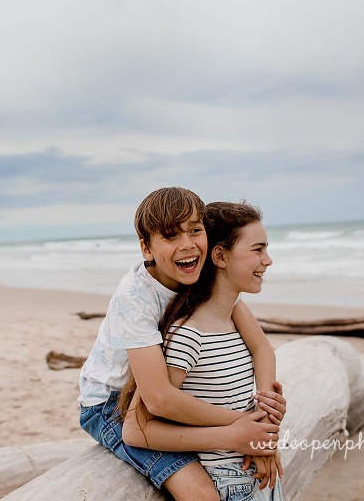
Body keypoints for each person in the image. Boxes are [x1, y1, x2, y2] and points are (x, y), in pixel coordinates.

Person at [78, 187, 285, 501]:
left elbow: (261, 347)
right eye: (170, 236)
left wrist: (265, 416)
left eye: (195, 231)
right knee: (200, 493)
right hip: (112, 404)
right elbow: (159, 400)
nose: (187, 244)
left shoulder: (197, 272)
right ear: (146, 248)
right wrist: (243, 427)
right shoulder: (135, 298)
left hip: (160, 393)